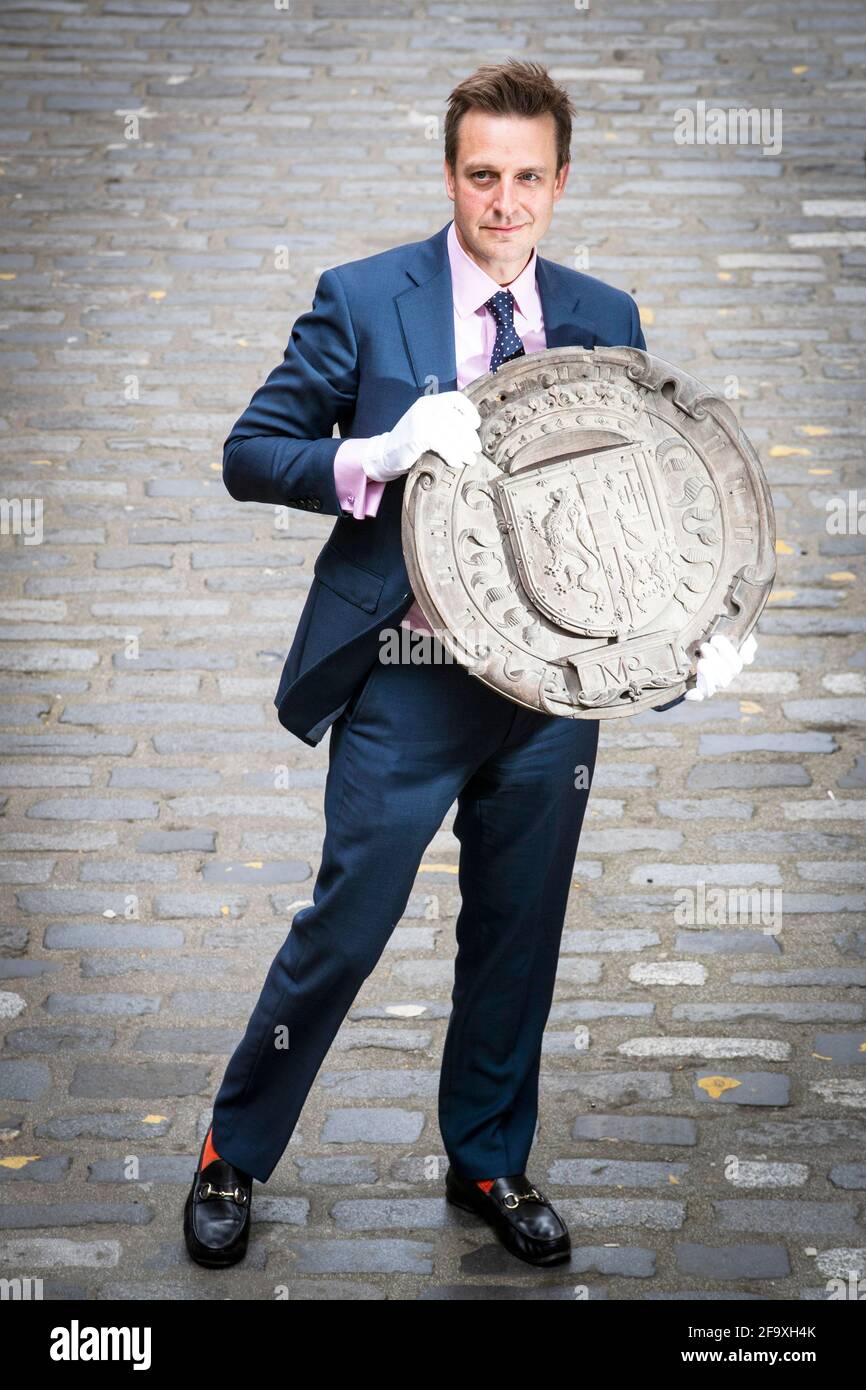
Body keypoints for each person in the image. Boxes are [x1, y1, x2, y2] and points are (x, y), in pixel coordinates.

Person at [183, 58, 756, 1273]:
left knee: (519, 928)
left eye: (527, 178)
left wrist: (687, 635)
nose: (504, 202)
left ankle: (488, 1157)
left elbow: (642, 513)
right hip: (406, 673)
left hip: (549, 696)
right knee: (346, 924)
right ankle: (231, 1148)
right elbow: (249, 451)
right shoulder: (364, 296)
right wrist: (375, 454)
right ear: (450, 174)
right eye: (482, 176)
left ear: (560, 180)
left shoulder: (605, 314)